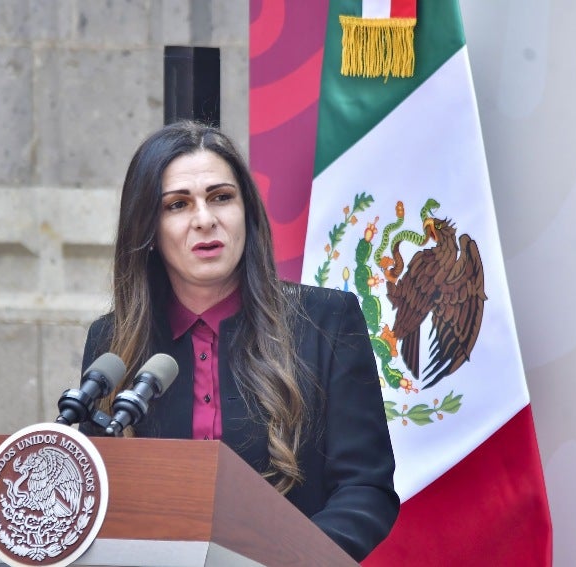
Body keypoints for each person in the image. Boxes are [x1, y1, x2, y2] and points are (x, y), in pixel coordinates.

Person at [80, 120, 398, 561]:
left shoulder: (327, 321)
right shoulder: (112, 343)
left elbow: (365, 489)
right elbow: (96, 494)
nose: (205, 220)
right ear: (148, 230)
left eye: (221, 197)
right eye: (177, 205)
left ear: (246, 211)